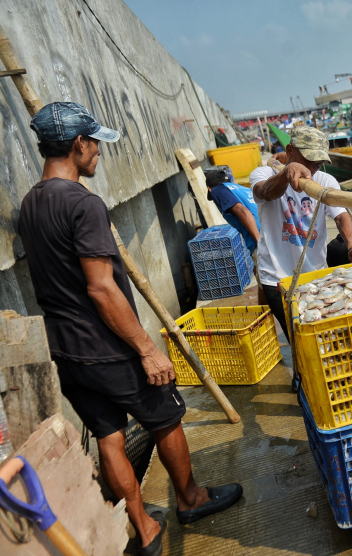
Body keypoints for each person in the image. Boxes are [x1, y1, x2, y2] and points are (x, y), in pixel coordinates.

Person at [19, 103, 242, 556]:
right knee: (166, 416)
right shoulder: (82, 203)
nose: (99, 151)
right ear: (79, 144)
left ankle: (143, 528)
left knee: (108, 434)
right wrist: (145, 349)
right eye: (94, 142)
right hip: (108, 345)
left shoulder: (31, 203)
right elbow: (102, 290)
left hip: (66, 349)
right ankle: (190, 499)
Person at [249, 127, 352, 346]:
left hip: (315, 276)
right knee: (299, 341)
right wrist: (287, 174)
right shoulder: (263, 174)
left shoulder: (325, 181)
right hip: (277, 278)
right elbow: (264, 192)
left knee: (324, 338)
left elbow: (341, 216)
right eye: (308, 161)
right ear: (290, 151)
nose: (312, 169)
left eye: (317, 163)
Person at [204, 169, 260, 257]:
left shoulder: (217, 190)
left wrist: (259, 242)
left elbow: (243, 211)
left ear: (209, 188)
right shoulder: (243, 189)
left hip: (261, 240)